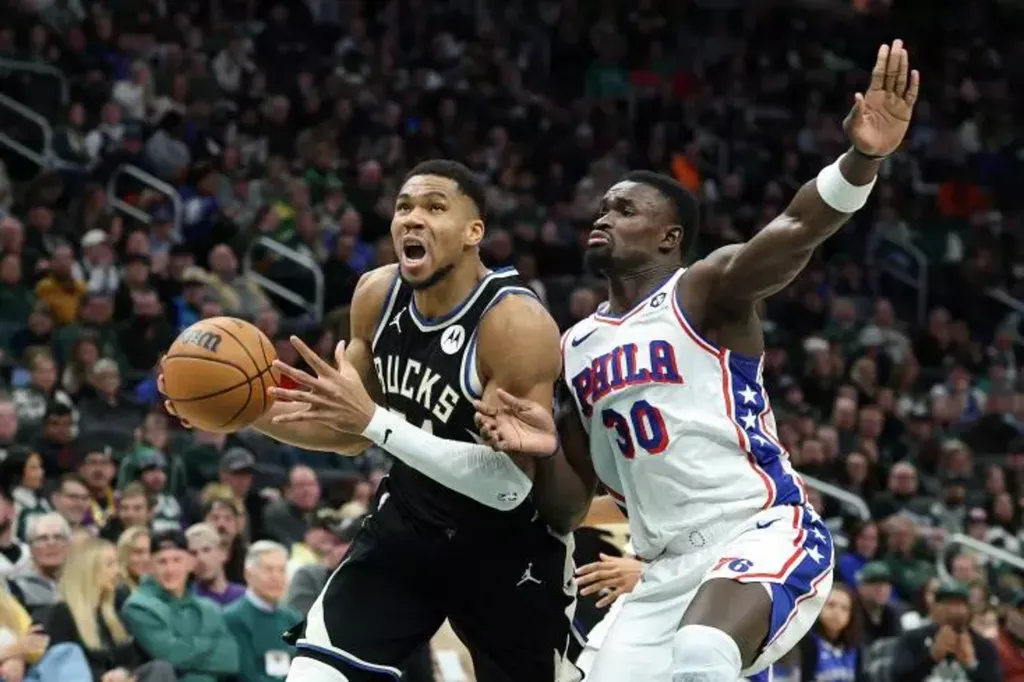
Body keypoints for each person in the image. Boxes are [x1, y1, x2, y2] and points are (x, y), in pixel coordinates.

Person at [474, 40, 920, 682]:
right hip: (664, 569)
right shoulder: (574, 346)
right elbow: (568, 507)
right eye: (603, 207)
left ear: (670, 237)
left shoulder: (702, 291)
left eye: (625, 209)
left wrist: (862, 159)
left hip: (760, 529)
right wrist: (540, 450)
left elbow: (795, 229)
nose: (605, 215)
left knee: (704, 652)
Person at [161, 159, 580, 682]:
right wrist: (243, 411)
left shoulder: (515, 323)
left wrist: (375, 421)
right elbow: (346, 433)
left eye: (435, 207)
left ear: (474, 232)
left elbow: (508, 486)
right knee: (314, 677)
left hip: (507, 550)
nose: (413, 218)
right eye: (404, 207)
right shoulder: (377, 295)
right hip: (407, 527)